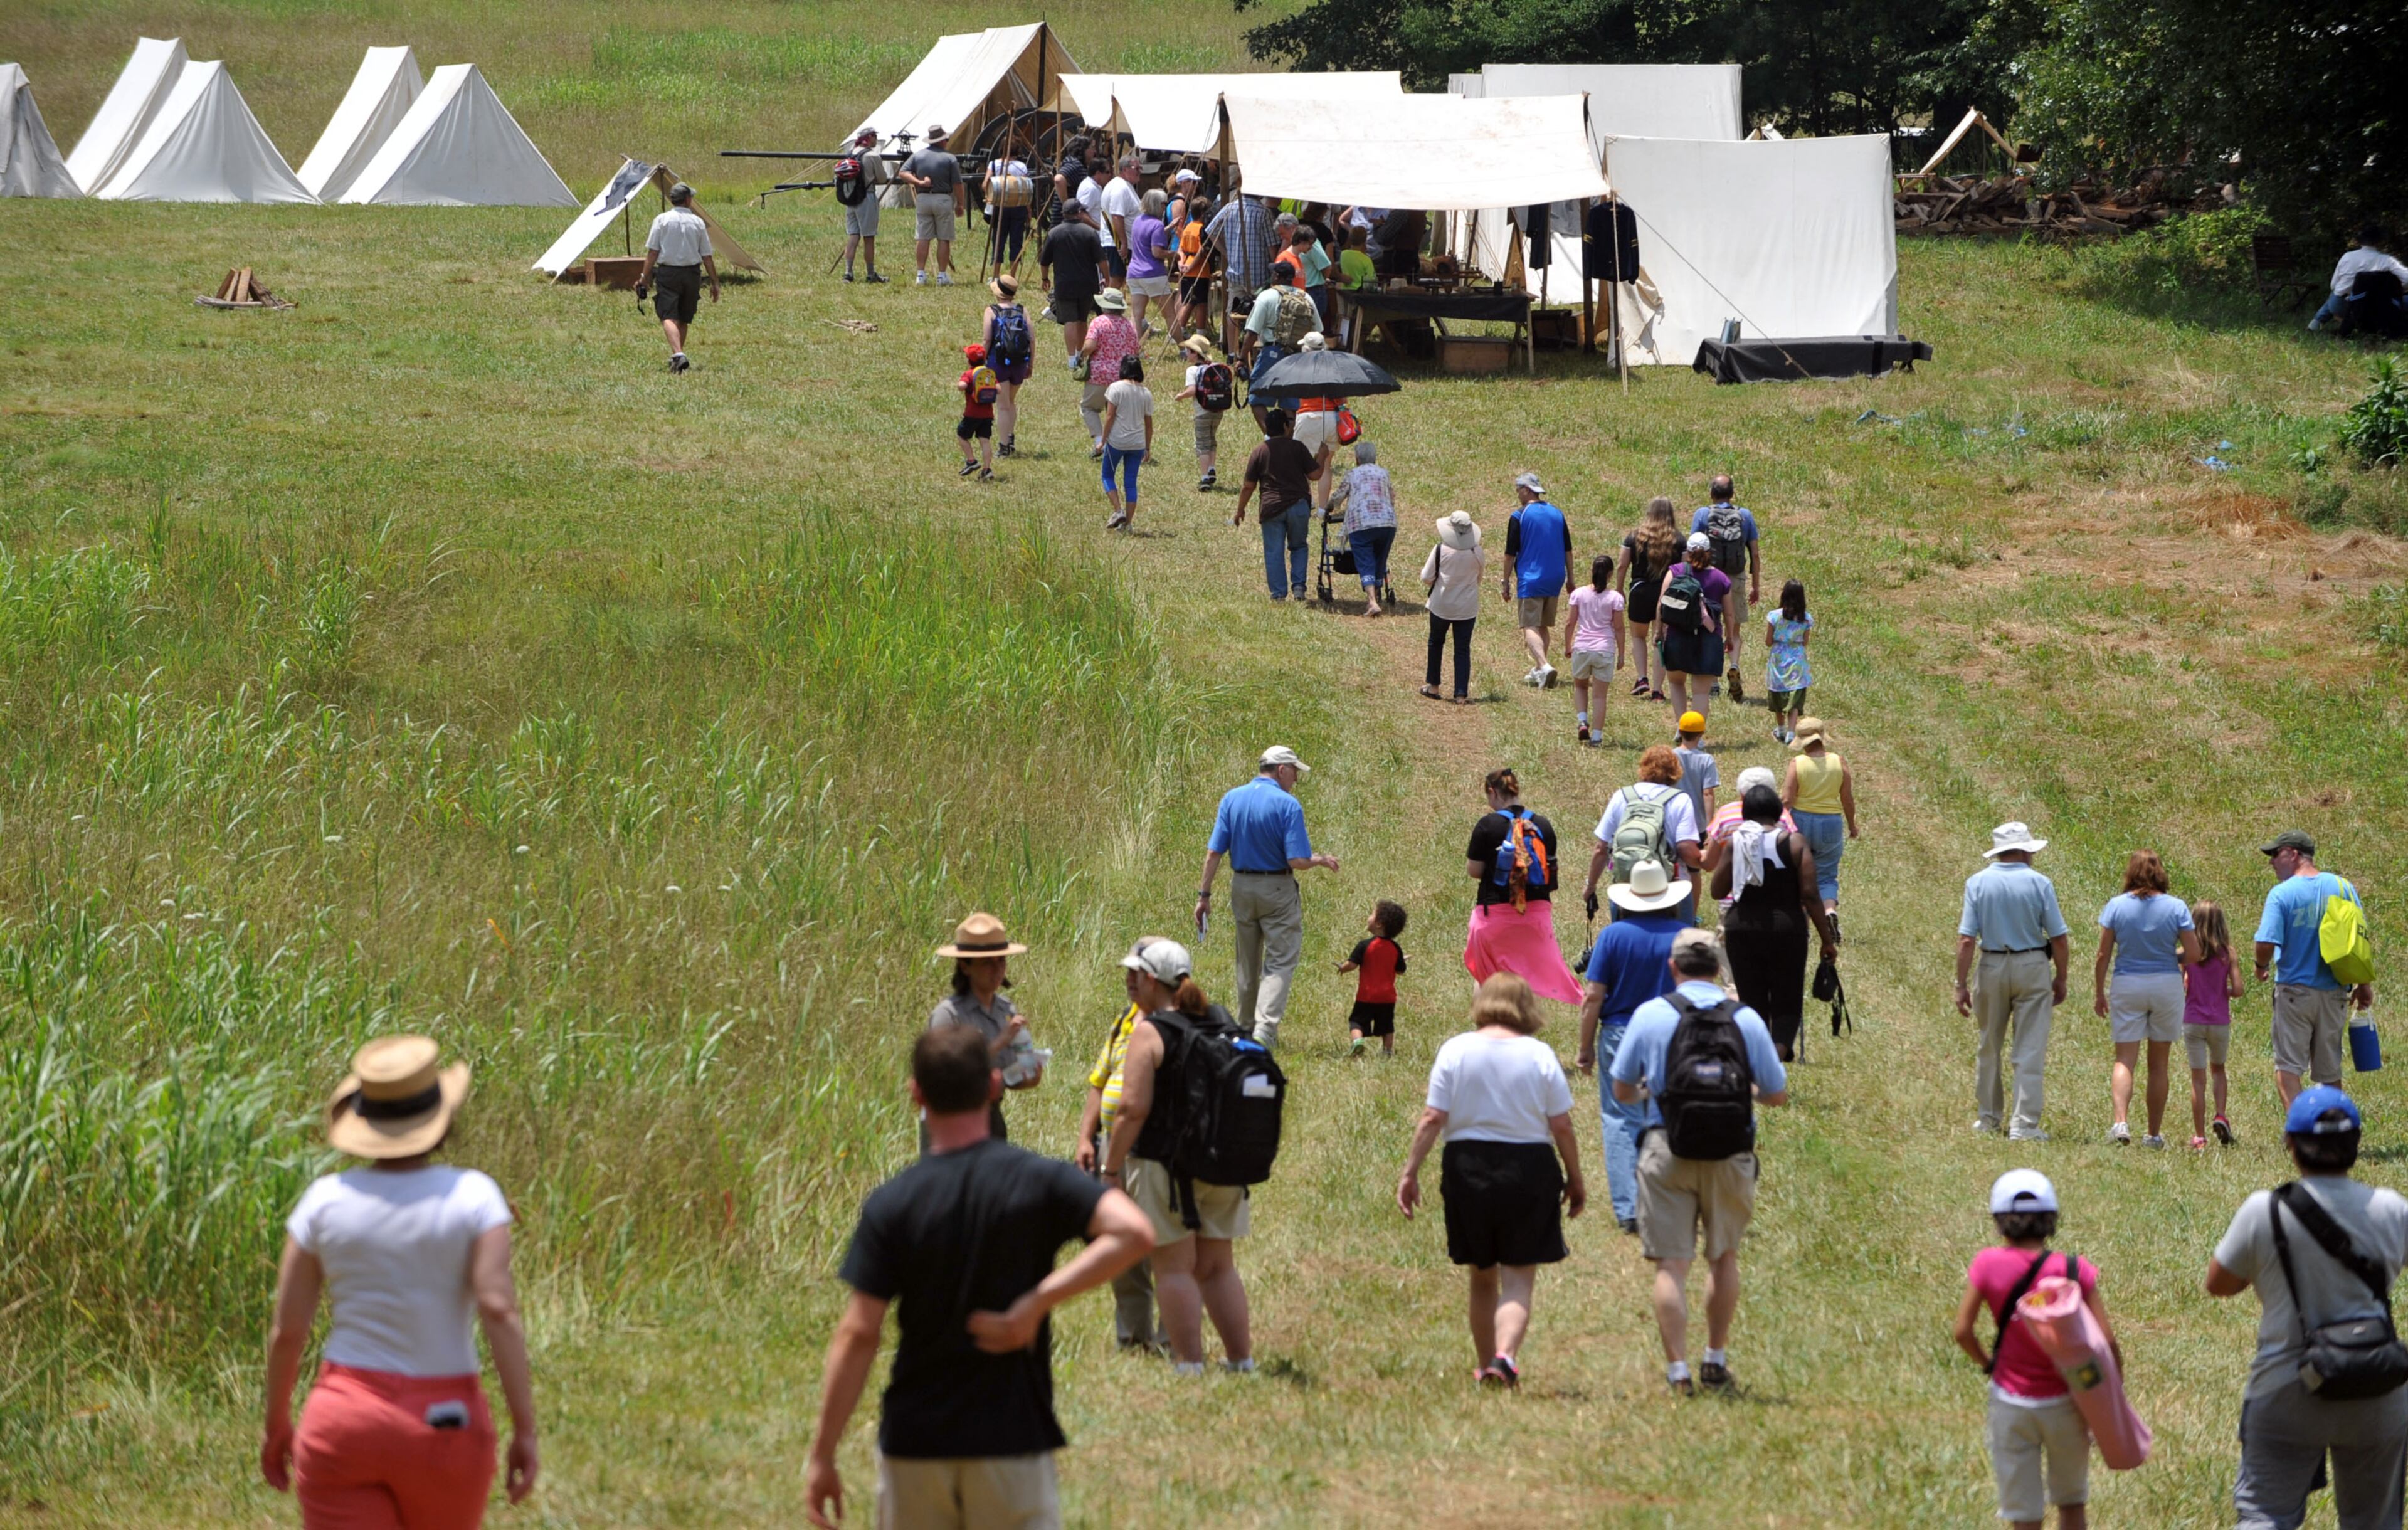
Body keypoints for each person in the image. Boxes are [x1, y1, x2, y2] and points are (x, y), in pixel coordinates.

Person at [803, 1027, 1154, 1529]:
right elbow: (1134, 1232)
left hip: (916, 1443)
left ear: (917, 1094)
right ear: (994, 1087)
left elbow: (859, 1333)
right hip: (1010, 1441)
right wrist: (1036, 1303)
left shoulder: (893, 1202)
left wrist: (822, 1454)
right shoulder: (1039, 1180)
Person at [262, 1036, 539, 1527]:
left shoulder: (324, 1201)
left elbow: (288, 1331)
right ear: (442, 1119)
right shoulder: (474, 1197)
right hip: (444, 1422)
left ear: (364, 1120)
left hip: (343, 1421)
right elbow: (499, 1308)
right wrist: (525, 1429)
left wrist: (277, 1423)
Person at [2206, 1087, 2408, 1530]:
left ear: (2291, 1146)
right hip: (2377, 1387)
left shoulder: (2265, 1211)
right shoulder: (2393, 1209)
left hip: (2286, 1384)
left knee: (2266, 1516)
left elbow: (2218, 1284)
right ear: (2356, 1146)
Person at [1611, 928, 1790, 1394]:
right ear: (1718, 968)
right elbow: (1777, 1093)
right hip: (1730, 1151)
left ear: (1673, 967)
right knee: (1723, 1257)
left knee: (1671, 1265)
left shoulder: (1652, 1014)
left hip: (1667, 1147)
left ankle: (1678, 1372)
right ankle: (1715, 1358)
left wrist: (1653, 1091)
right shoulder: (1746, 1018)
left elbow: (1623, 1090)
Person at [1399, 973, 1585, 1388]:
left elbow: (1433, 1118)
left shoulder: (1456, 1050)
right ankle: (1506, 1358)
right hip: (1530, 1168)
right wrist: (1576, 1178)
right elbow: (1563, 1126)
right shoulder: (1538, 1054)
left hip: (1467, 1166)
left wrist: (1410, 1172)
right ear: (1525, 1006)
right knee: (1519, 1276)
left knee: (1482, 1276)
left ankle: (1486, 1365)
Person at [1103, 939, 1257, 1374]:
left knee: (1174, 1268)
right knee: (1218, 1266)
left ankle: (1189, 1365)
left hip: (1164, 1165)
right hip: (1224, 1163)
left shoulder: (1151, 1030)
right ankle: (1241, 1360)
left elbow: (1133, 1109)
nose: (1132, 981)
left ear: (1152, 980)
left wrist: (1110, 1169)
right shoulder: (1219, 1021)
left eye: (1137, 975)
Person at [1950, 1170, 2118, 1530]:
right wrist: (2110, 1387)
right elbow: (2107, 1341)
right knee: (2072, 1502)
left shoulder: (1987, 1265)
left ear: (1999, 1223)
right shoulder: (2074, 1269)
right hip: (2067, 1401)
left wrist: (1989, 1365)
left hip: (2011, 1402)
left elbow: (1963, 1331)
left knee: (2024, 1514)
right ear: (2052, 1221)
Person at [1576, 858, 1692, 1233]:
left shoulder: (1613, 936)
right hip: (1673, 1033)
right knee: (1669, 1113)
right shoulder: (1684, 934)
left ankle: (1628, 1208)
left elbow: (1593, 997)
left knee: (1620, 1118)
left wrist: (1585, 1048)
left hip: (1620, 1033)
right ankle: (1667, 1200)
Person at [1196, 746, 1340, 1047]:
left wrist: (1204, 895)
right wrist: (1320, 859)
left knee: (1246, 961)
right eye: (1295, 773)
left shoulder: (1232, 798)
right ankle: (1265, 1030)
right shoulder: (1288, 805)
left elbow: (1214, 852)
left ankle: (1245, 1026)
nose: (1296, 780)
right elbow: (1296, 861)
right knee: (1280, 961)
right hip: (1277, 889)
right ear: (1282, 770)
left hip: (1241, 887)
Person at [1075, 941, 1173, 1353]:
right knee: (1123, 1248)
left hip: (1158, 1153)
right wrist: (1085, 1137)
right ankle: (1134, 1340)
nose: (1130, 981)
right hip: (1112, 1149)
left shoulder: (1176, 1025)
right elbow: (1100, 1082)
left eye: (1139, 973)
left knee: (1170, 1250)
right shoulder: (1125, 1020)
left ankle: (1173, 1341)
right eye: (1128, 973)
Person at [1957, 823, 2071, 1143]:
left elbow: (1966, 940)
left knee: (1989, 1045)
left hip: (1992, 962)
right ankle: (2024, 1124)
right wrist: (2061, 977)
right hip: (2032, 964)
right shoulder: (2040, 883)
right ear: (2024, 851)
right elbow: (2059, 938)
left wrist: (1960, 983)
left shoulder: (1977, 882)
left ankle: (1989, 1118)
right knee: (2030, 1047)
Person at [1708, 784, 1839, 1062]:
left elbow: (1717, 891)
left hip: (1742, 928)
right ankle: (1776, 1054)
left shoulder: (1736, 844)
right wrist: (1827, 939)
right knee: (1787, 996)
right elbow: (1810, 894)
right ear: (1779, 813)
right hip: (1787, 930)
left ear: (1746, 814)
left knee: (1750, 996)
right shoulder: (1794, 843)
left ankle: (1756, 1056)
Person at [2254, 828, 2374, 1106]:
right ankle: (2331, 1134)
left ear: (2294, 854)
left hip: (2295, 993)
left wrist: (2261, 965)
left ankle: (2302, 1132)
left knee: (2288, 1068)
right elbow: (2359, 940)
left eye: (2275, 854)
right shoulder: (2344, 887)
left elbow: (2265, 942)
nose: (2271, 861)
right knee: (2329, 1072)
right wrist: (2364, 984)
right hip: (2334, 994)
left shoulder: (2281, 895)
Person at [2093, 849, 2202, 1149]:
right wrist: (2172, 955)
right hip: (2166, 984)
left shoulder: (2116, 906)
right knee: (2159, 1064)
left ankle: (2120, 1123)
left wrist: (2099, 991)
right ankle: (2153, 1134)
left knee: (2125, 1058)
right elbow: (2194, 954)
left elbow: (2103, 954)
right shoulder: (2176, 907)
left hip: (2127, 982)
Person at [1464, 768, 1586, 1006]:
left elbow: (1474, 871)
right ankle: (1520, 1029)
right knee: (1524, 980)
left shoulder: (1487, 825)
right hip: (1536, 917)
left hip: (1495, 915)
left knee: (1486, 979)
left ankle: (1489, 1030)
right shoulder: (1543, 825)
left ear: (1492, 792)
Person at [929, 912, 1043, 1143]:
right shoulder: (948, 1015)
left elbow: (1008, 1074)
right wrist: (999, 1042)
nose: (997, 968)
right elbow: (942, 1077)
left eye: (1001, 960)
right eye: (986, 963)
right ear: (965, 967)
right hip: (953, 1122)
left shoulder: (1005, 1011)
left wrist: (1029, 1078)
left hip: (991, 1118)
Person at [1585, 745, 1706, 926]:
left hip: (1626, 887)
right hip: (1671, 889)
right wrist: (1704, 861)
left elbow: (1601, 849)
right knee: (1678, 946)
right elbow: (1686, 849)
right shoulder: (1680, 800)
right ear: (1676, 772)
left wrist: (1591, 885)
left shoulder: (1622, 796)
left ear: (1643, 768)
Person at [1230, 409, 1323, 604]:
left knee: (1274, 551)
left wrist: (1240, 510)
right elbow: (1315, 475)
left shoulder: (1260, 451)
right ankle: (1299, 588)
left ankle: (1279, 595)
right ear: (1285, 427)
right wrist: (1321, 456)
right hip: (1298, 506)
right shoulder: (1297, 447)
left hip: (1271, 508)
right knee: (1299, 546)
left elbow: (1248, 486)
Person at [1779, 718, 1857, 928]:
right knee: (1827, 875)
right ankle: (1829, 910)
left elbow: (1787, 800)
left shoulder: (1798, 763)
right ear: (1822, 738)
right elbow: (1847, 799)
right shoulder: (1839, 762)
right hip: (1830, 823)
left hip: (1801, 820)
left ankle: (1799, 918)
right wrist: (1852, 826)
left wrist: (1778, 824)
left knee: (1796, 870)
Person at [1691, 475, 1760, 700]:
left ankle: (1712, 681)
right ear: (1732, 493)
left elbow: (1693, 549)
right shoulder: (1745, 515)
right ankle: (1735, 665)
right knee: (1735, 630)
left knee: (1710, 628)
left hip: (1710, 577)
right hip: (1736, 577)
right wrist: (1756, 585)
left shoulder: (1702, 514)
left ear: (1712, 492)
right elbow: (1755, 553)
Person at [1656, 532, 1735, 726]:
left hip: (1677, 635)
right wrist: (1730, 638)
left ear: (1688, 553)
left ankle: (1682, 726)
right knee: (1700, 692)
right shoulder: (1721, 579)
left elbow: (1661, 604)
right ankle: (1695, 734)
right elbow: (1729, 614)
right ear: (1710, 552)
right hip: (1708, 638)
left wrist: (1659, 632)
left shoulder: (1675, 571)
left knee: (1676, 683)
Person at [2185, 900, 2246, 1149]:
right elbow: (2239, 990)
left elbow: (2180, 984)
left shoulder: (2187, 952)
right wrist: (2225, 992)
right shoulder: (2228, 953)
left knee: (2197, 1079)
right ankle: (2220, 1114)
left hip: (2193, 1021)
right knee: (2218, 1070)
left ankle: (2199, 1136)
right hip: (2219, 1021)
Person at [639, 181, 717, 375]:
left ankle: (678, 354)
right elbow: (707, 255)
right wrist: (715, 281)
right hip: (692, 274)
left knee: (667, 315)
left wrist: (644, 277)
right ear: (688, 199)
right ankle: (678, 357)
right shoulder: (698, 223)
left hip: (668, 273)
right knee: (683, 317)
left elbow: (653, 252)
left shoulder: (662, 220)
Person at [1503, 472, 1573, 689]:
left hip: (1531, 578)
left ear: (1527, 490)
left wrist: (1505, 581)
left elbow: (1510, 553)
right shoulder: (1557, 513)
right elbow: (1568, 550)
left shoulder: (1519, 516)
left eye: (1518, 490)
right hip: (1555, 578)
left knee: (1529, 625)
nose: (1517, 494)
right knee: (1543, 624)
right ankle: (1539, 670)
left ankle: (1544, 665)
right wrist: (1571, 578)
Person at [1618, 497, 1682, 703]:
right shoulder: (1679, 540)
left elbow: (1621, 565)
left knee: (1638, 637)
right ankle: (1657, 690)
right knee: (1660, 641)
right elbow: (1685, 570)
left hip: (1640, 591)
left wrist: (1619, 589)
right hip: (1667, 595)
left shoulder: (1634, 537)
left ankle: (1641, 678)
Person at [1205, 177, 1279, 355]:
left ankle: (1232, 352)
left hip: (1236, 272)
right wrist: (1275, 266)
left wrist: (1226, 252)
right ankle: (1259, 351)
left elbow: (1210, 231)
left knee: (1233, 313)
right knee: (1261, 314)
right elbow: (1271, 245)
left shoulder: (1230, 208)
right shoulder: (1264, 213)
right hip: (1259, 274)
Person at [1563, 555, 1627, 746]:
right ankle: (1597, 737)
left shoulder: (1579, 594)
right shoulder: (1615, 598)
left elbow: (1569, 623)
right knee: (1599, 696)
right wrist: (1622, 654)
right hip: (1604, 650)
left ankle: (1582, 721)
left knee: (1580, 686)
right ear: (1610, 575)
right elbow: (1619, 628)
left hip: (1582, 647)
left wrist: (1568, 645)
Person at [1421, 511, 1484, 704]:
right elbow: (1479, 579)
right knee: (1463, 649)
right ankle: (1461, 694)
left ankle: (1433, 686)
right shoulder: (1477, 551)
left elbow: (1426, 577)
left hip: (1442, 605)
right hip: (1467, 607)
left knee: (1436, 643)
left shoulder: (1441, 550)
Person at [1330, 438, 1397, 615]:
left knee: (1365, 559)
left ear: (1357, 459)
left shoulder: (1353, 474)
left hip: (1362, 522)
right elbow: (1392, 496)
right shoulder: (1384, 473)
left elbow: (1339, 495)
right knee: (1380, 559)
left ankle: (1372, 601)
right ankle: (1379, 590)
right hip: (1387, 522)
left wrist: (1329, 506)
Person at [1337, 900, 1408, 1057]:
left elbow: (1352, 965)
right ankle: (1388, 1050)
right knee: (1387, 1026)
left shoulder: (1365, 945)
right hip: (1388, 997)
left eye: (1372, 915)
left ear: (1379, 924)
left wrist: (1342, 968)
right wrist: (1402, 959)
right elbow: (1401, 971)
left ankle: (1358, 1042)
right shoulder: (1396, 949)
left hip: (1366, 996)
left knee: (1357, 1022)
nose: (1369, 917)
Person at [896, 124, 964, 286]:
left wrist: (919, 182)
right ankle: (941, 275)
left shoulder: (918, 156)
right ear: (942, 141)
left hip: (923, 198)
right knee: (944, 238)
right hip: (943, 198)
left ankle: (921, 274)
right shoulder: (950, 158)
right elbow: (958, 185)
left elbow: (903, 173)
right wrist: (960, 204)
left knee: (923, 237)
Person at [1286, 333, 1346, 512]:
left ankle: (1307, 500)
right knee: (1326, 466)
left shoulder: (1301, 369)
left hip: (1308, 416)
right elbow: (1343, 400)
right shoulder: (1333, 369)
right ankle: (1322, 509)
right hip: (1331, 419)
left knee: (1300, 463)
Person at [2309, 224, 2408, 333]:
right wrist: (2396, 291)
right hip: (2378, 307)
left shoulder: (2347, 257)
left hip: (2343, 307)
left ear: (2360, 241)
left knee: (2337, 294)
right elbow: (2407, 279)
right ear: (2379, 242)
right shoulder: (2387, 261)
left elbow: (2333, 285)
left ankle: (2316, 323)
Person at [1077, 289, 1140, 460]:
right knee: (1114, 412)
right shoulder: (1128, 325)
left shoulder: (1098, 322)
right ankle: (1117, 445)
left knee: (1088, 407)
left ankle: (1100, 442)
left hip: (1100, 375)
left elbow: (1090, 346)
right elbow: (1135, 349)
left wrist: (1082, 354)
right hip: (1123, 376)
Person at [1096, 354, 1154, 532]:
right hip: (1137, 444)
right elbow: (1149, 425)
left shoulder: (1115, 388)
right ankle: (1128, 524)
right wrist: (1148, 447)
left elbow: (1110, 416)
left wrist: (1102, 441)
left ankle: (1118, 510)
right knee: (1130, 483)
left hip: (1117, 442)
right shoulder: (1146, 393)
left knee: (1107, 475)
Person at [1039, 203, 1104, 364]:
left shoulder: (1054, 233)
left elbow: (1044, 261)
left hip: (1064, 284)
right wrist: (1107, 279)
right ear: (1079, 213)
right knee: (1082, 320)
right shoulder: (1089, 233)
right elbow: (1102, 260)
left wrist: (1045, 278)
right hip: (1088, 285)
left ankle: (1071, 359)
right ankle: (1081, 354)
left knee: (1070, 321)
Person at [980, 275, 1034, 460]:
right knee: (1011, 401)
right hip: (1020, 362)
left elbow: (987, 339)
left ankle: (1003, 447)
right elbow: (1032, 339)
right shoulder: (1022, 310)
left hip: (999, 362)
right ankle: (1010, 438)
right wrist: (1030, 364)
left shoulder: (991, 311)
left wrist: (980, 361)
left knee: (1002, 406)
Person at [1175, 333, 1229, 492]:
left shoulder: (1192, 370)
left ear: (1194, 353)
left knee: (1202, 444)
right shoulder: (1214, 367)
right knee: (1212, 439)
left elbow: (1192, 391)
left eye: (1188, 350)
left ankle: (1205, 477)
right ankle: (1212, 467)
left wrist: (1181, 396)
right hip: (1218, 410)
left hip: (1202, 412)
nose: (1186, 353)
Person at [1764, 579, 1813, 746]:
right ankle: (1792, 732)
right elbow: (1805, 642)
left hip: (1778, 658)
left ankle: (1781, 729)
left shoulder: (1774, 616)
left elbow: (1768, 642)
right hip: (1797, 659)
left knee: (1778, 694)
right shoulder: (1806, 619)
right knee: (1795, 693)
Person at [837, 127, 887, 284]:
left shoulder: (850, 154)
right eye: (874, 136)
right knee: (869, 238)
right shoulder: (873, 156)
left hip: (850, 198)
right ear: (869, 138)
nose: (875, 139)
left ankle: (848, 273)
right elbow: (882, 178)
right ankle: (871, 273)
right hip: (867, 197)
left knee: (853, 237)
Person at [1124, 187, 1176, 337]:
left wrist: (1169, 228)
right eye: (1164, 203)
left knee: (1137, 315)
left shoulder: (1138, 221)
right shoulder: (1157, 225)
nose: (1165, 207)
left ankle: (1136, 349)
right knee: (1170, 314)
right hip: (1153, 274)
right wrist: (1173, 255)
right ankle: (1182, 348)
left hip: (1134, 274)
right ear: (1157, 204)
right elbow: (1157, 252)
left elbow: (1147, 237)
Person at [981, 144, 1032, 278]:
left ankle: (996, 275)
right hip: (1018, 206)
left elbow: (985, 185)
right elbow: (1025, 190)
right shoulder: (1021, 167)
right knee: (1016, 242)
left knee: (998, 241)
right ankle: (1012, 277)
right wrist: (1029, 210)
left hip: (1000, 207)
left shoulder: (994, 164)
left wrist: (993, 193)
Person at [953, 342, 1000, 482]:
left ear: (969, 360)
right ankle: (987, 469)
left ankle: (971, 461)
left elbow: (962, 386)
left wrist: (962, 384)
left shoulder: (969, 374)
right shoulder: (988, 374)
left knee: (962, 435)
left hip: (972, 414)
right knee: (985, 441)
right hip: (987, 415)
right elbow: (999, 389)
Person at [1100, 155, 1144, 294]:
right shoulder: (1120, 188)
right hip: (1117, 242)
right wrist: (1123, 243)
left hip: (1124, 242)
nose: (1139, 171)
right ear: (1124, 169)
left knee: (1121, 278)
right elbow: (1117, 216)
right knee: (1117, 278)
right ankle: (1108, 311)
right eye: (1136, 168)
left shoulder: (1125, 186)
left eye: (1140, 168)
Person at [1672, 712, 1718, 831]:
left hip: (1673, 820)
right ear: (1701, 734)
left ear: (1680, 732)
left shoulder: (1670, 756)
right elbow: (1708, 794)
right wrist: (1710, 825)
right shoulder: (1706, 760)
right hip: (1697, 825)